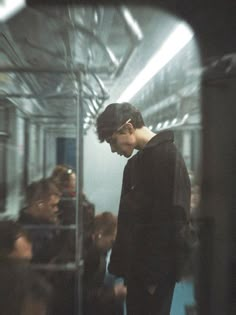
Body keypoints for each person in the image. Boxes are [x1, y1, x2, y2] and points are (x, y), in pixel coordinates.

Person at [96, 102, 191, 315]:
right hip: (137, 271)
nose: (112, 150)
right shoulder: (134, 166)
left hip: (153, 275)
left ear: (129, 128)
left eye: (112, 141)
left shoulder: (168, 158)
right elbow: (130, 221)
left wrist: (153, 278)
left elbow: (173, 221)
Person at [83, 212, 126, 315]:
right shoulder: (92, 256)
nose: (113, 246)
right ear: (100, 235)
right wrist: (114, 293)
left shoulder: (97, 251)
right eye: (112, 242)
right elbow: (86, 297)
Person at [18, 178, 61, 263]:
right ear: (40, 204)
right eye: (53, 206)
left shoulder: (46, 225)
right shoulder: (27, 233)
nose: (56, 209)